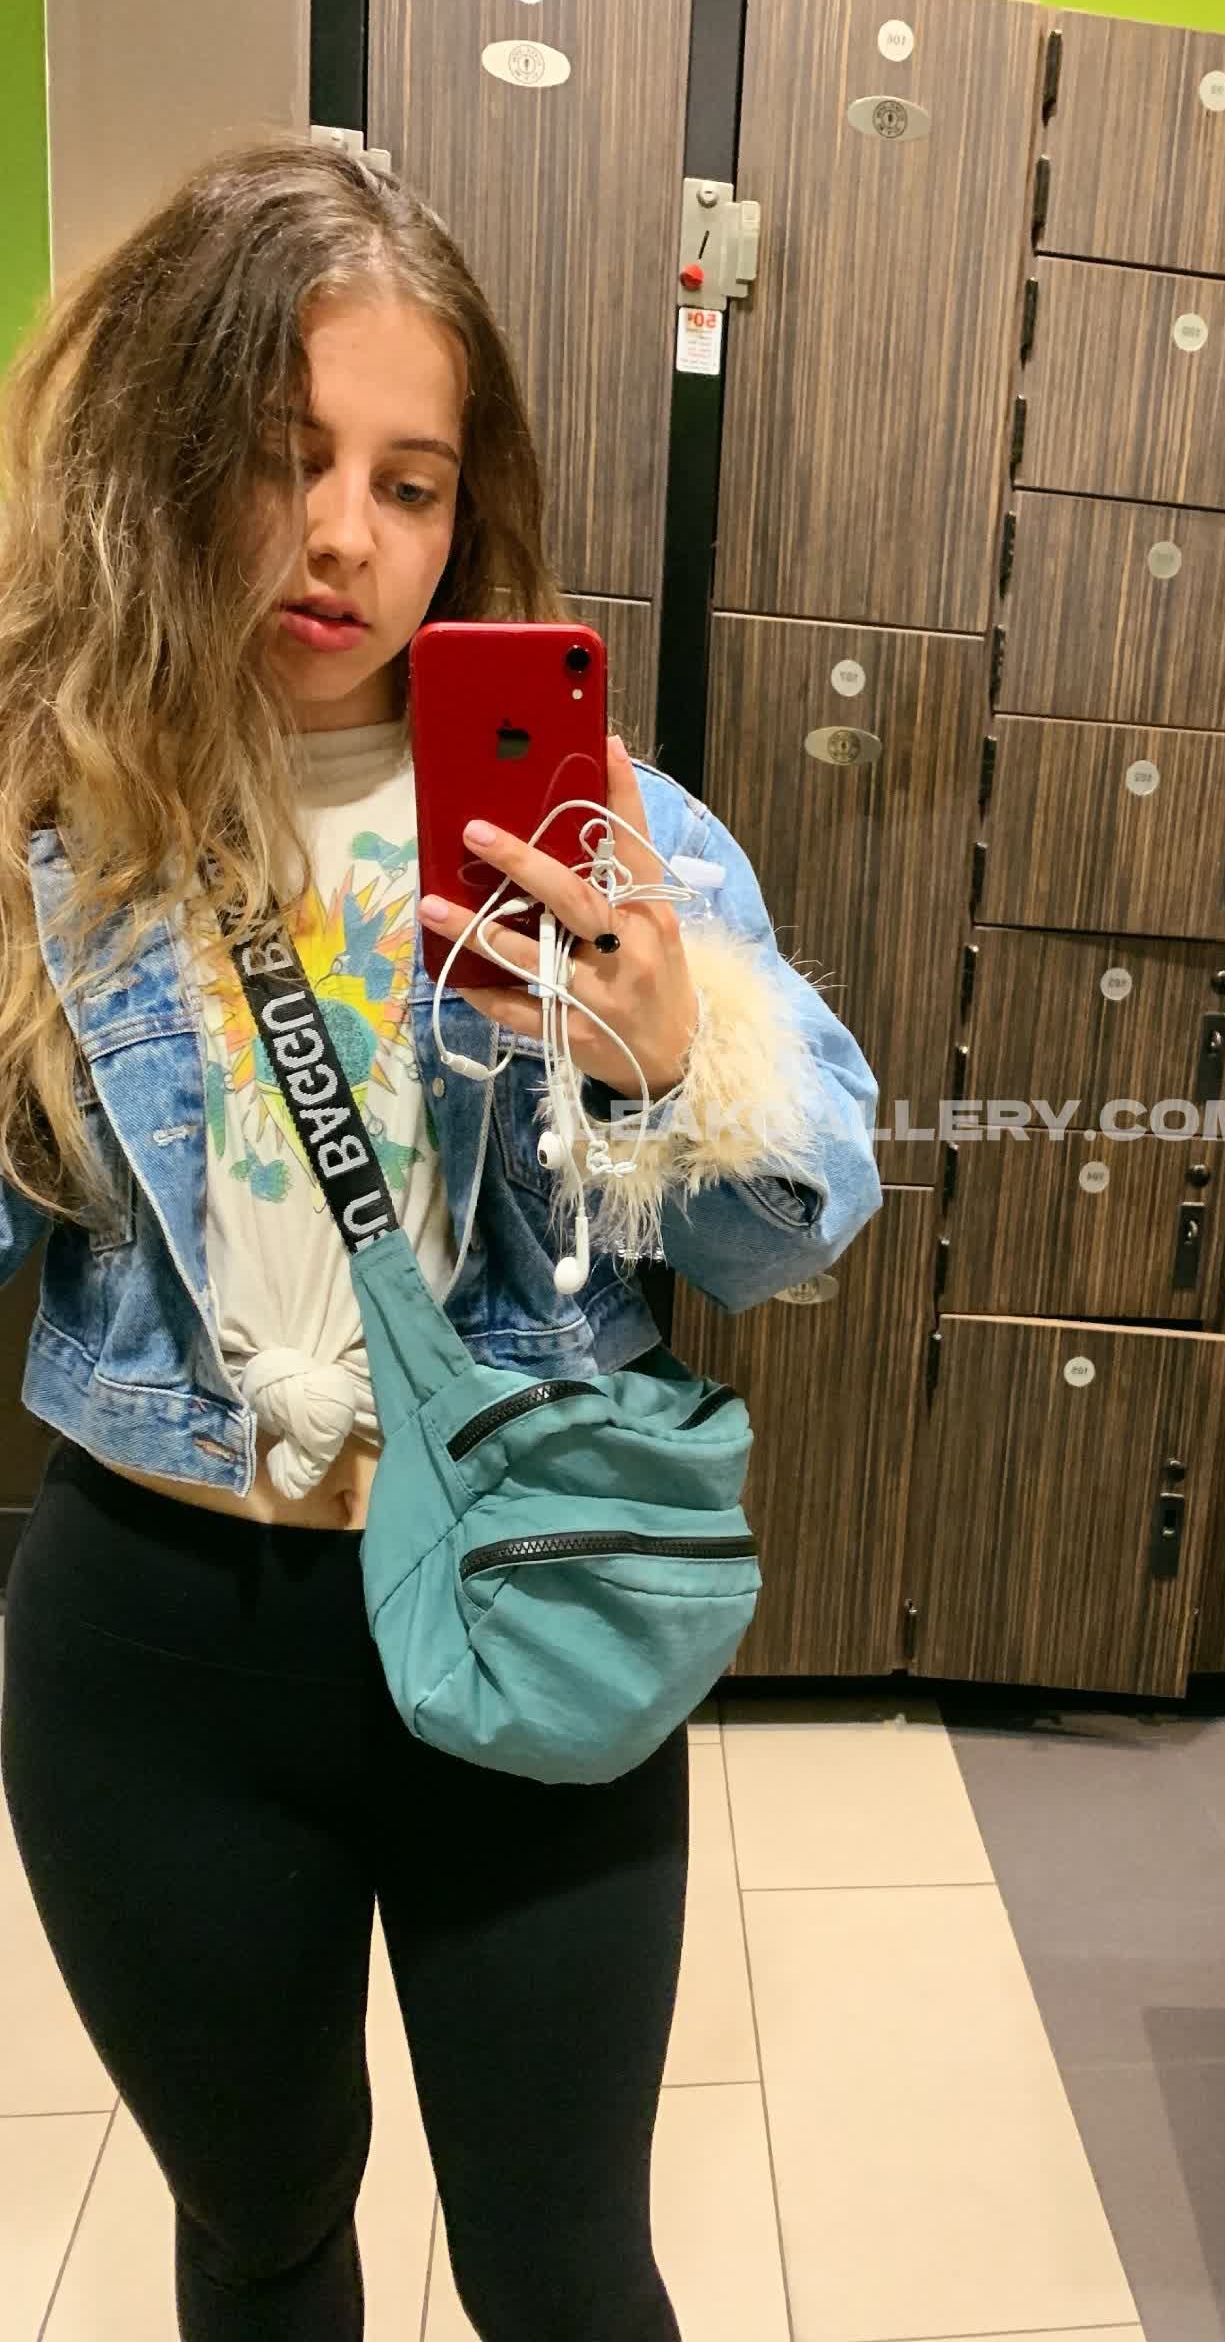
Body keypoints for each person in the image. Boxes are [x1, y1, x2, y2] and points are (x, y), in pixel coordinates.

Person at [0, 134, 882, 2340]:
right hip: (161, 1650)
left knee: (563, 2270)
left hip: (537, 1596)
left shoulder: (606, 830)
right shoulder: (51, 824)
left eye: (408, 483)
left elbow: (802, 1232)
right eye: (282, 457)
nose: (344, 535)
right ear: (162, 455)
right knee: (262, 2232)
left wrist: (677, 1065)